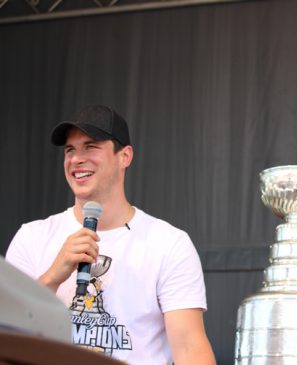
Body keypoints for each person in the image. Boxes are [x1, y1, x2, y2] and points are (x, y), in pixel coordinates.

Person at [6, 105, 216, 365]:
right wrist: (52, 276)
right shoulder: (32, 237)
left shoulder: (168, 243)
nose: (76, 159)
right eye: (70, 150)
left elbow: (189, 348)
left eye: (90, 147)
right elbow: (8, 337)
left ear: (124, 156)